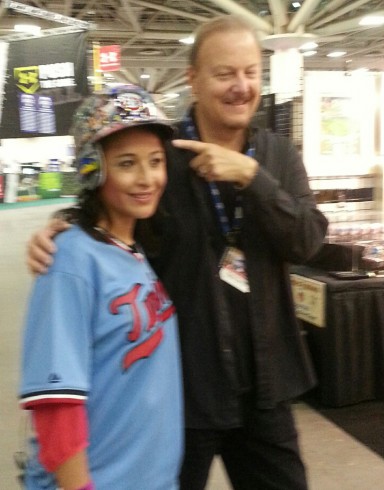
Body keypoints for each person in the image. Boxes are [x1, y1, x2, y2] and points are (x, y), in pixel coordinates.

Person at [26, 14, 328, 490]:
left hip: (266, 389)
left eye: (250, 72)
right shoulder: (163, 156)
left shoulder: (278, 157)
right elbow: (115, 204)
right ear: (193, 79)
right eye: (225, 73)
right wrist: (62, 225)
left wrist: (252, 178)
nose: (240, 86)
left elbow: (309, 239)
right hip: (184, 394)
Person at [19, 85, 183, 490]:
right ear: (94, 168)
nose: (147, 179)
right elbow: (56, 404)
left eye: (156, 161)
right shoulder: (71, 262)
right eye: (127, 163)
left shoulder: (133, 250)